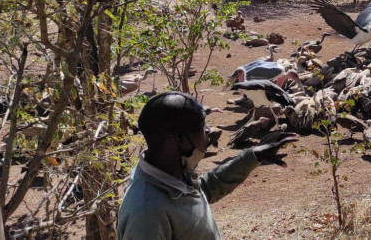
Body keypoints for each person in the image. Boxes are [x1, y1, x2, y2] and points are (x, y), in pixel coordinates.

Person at [117, 91, 296, 240]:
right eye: (202, 126)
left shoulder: (170, 173)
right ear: (179, 139)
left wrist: (252, 156)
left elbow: (203, 191)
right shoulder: (146, 214)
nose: (208, 131)